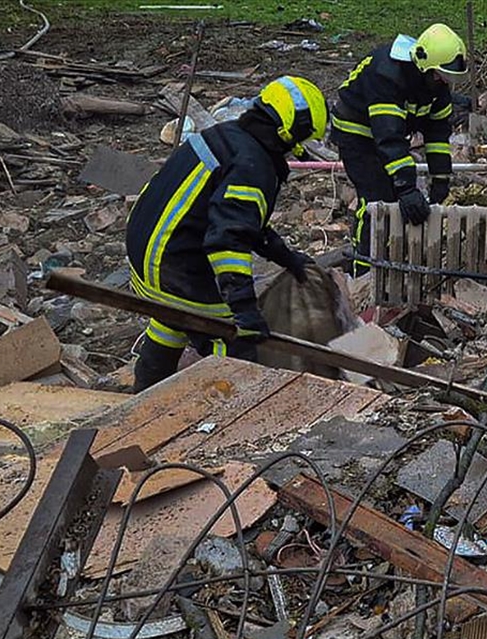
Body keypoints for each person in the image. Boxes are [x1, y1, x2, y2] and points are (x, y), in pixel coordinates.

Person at [125, 76, 327, 392]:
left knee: (172, 319)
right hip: (171, 266)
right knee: (228, 332)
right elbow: (228, 240)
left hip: (146, 249)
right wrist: (243, 310)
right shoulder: (253, 165)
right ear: (290, 132)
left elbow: (240, 222)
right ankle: (225, 410)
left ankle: (144, 391)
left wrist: (285, 257)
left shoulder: (228, 137)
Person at [331, 23, 468, 276]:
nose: (443, 82)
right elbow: (389, 137)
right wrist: (406, 187)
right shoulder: (388, 75)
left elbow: (437, 134)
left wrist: (441, 180)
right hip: (356, 132)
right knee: (375, 198)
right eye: (439, 76)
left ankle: (393, 258)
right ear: (423, 65)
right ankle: (363, 270)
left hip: (389, 132)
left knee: (398, 199)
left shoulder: (437, 86)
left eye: (447, 78)